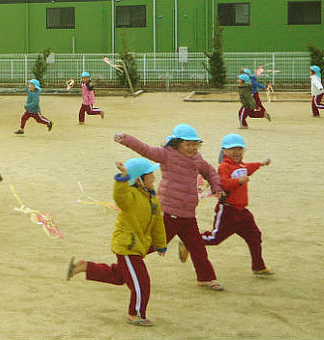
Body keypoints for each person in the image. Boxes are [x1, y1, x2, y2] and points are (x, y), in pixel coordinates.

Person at [114, 124, 224, 290]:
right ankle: (124, 266)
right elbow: (145, 149)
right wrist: (126, 139)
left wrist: (217, 187)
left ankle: (206, 278)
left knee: (198, 248)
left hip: (188, 214)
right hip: (169, 213)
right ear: (177, 143)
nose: (192, 148)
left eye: (195, 144)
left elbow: (210, 172)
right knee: (152, 245)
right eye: (188, 144)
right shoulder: (167, 155)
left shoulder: (197, 159)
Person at [67, 158, 167, 326]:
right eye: (150, 175)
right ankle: (134, 314)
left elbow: (158, 223)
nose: (154, 178)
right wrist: (123, 177)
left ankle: (85, 266)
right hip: (127, 246)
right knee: (142, 282)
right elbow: (119, 196)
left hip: (138, 246)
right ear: (139, 180)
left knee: (119, 276)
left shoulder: (152, 198)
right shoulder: (130, 196)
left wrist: (161, 243)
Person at [201, 134, 273, 276]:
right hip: (228, 210)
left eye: (240, 148)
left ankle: (258, 266)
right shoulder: (224, 166)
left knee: (254, 236)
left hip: (242, 212)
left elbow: (249, 167)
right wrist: (239, 181)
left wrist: (261, 164)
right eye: (232, 149)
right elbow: (224, 184)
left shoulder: (241, 165)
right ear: (224, 151)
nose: (236, 152)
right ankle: (190, 242)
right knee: (214, 239)